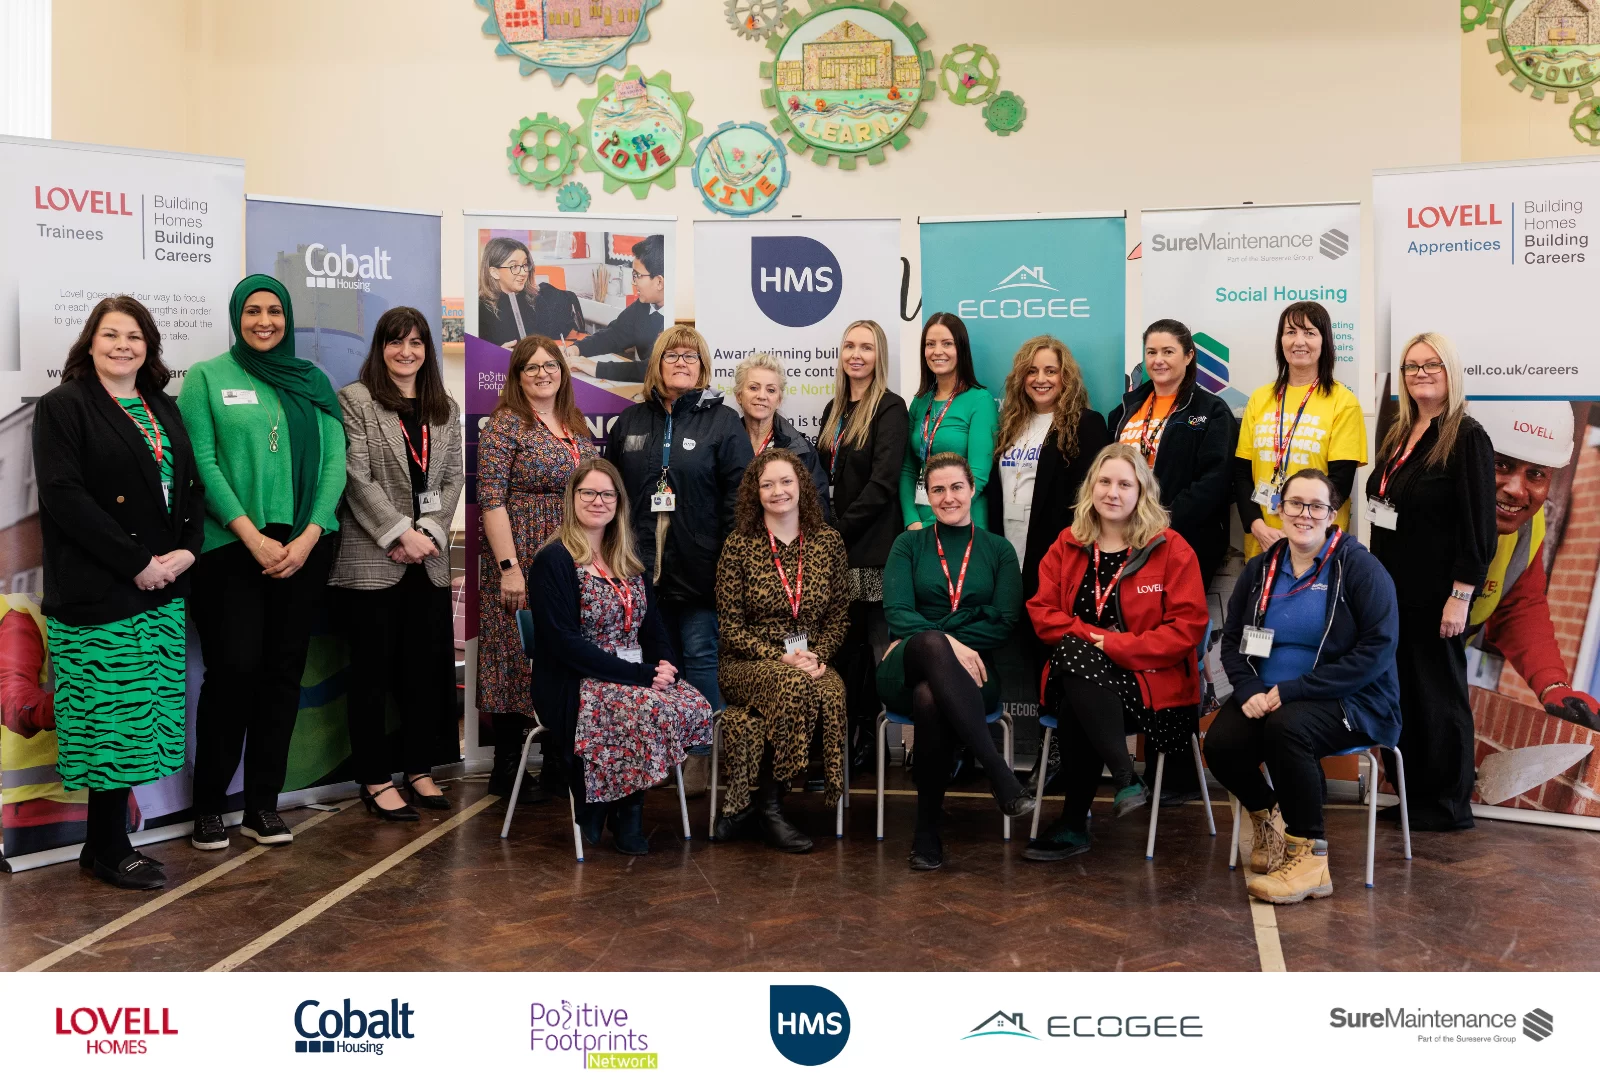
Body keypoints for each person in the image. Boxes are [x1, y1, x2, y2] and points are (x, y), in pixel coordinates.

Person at [33, 296, 204, 889]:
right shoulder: (63, 407)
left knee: (140, 719)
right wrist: (136, 563)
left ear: (149, 346)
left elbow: (189, 485)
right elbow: (63, 496)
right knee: (109, 719)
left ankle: (98, 843)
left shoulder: (161, 405)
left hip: (161, 587)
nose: (123, 346)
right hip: (99, 591)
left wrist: (187, 550)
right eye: (111, 335)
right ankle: (110, 847)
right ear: (90, 341)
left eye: (134, 336)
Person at [179, 275, 345, 850]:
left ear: (288, 317)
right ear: (236, 317)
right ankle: (208, 809)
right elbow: (202, 464)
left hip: (302, 550)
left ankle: (262, 807)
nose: (264, 321)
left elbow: (333, 466)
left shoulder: (312, 381)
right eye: (252, 311)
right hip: (231, 550)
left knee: (281, 677)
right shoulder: (206, 378)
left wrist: (307, 538)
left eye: (275, 310)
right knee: (234, 674)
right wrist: (251, 536)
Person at [1208, 469, 1402, 903]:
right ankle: (1268, 816)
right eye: (1295, 503)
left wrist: (1296, 690)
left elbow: (1378, 650)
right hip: (1268, 695)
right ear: (1280, 508)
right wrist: (1247, 689)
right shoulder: (1261, 568)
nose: (1305, 515)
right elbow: (1236, 640)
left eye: (1317, 506)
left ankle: (1310, 859)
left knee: (1288, 728)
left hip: (1350, 699)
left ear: (1333, 515)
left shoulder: (1359, 568)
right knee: (1220, 744)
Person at [1023, 444, 1209, 861]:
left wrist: (1118, 645)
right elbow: (1041, 612)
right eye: (1104, 482)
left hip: (1149, 685)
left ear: (1142, 492)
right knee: (1076, 664)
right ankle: (1125, 775)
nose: (1113, 492)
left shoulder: (1170, 548)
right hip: (1084, 675)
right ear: (1091, 488)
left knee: (1075, 686)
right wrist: (1095, 640)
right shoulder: (1068, 543)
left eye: (1125, 484)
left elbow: (1187, 629)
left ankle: (1074, 823)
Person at [528, 459, 712, 854]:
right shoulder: (554, 560)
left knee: (693, 703)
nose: (598, 501)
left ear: (619, 502)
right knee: (643, 707)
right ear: (571, 499)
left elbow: (653, 627)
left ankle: (609, 802)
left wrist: (663, 664)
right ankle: (625, 812)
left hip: (631, 675)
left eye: (607, 494)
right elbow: (564, 644)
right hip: (572, 679)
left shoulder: (629, 560)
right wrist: (643, 676)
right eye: (588, 493)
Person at [329, 307, 464, 823]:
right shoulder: (356, 401)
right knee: (371, 676)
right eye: (395, 342)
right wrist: (399, 532)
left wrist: (425, 534)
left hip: (424, 562)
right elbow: (354, 477)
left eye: (416, 343)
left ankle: (419, 768)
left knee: (422, 675)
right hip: (373, 559)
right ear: (380, 348)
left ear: (427, 350)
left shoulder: (443, 408)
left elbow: (450, 480)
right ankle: (375, 778)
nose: (406, 352)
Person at [605, 326, 752, 795]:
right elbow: (611, 497)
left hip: (701, 567)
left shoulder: (723, 422)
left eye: (692, 356)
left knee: (701, 659)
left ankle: (703, 757)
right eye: (673, 355)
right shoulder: (628, 422)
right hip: (637, 569)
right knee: (651, 663)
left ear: (704, 366)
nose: (683, 362)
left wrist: (729, 562)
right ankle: (657, 751)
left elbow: (741, 499)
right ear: (657, 364)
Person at [1363, 333, 1496, 831]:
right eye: (1412, 366)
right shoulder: (1401, 432)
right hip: (1394, 592)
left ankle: (1447, 803)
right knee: (1405, 695)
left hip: (1438, 594)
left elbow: (1479, 528)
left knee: (1440, 696)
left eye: (1431, 365)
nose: (1421, 373)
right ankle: (1413, 795)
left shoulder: (1466, 436)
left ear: (1450, 370)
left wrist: (1460, 597)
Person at [878, 453, 1035, 870]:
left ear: (972, 490)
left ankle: (926, 833)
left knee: (931, 696)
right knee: (929, 645)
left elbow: (1003, 623)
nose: (948, 498)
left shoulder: (999, 550)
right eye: (937, 490)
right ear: (927, 497)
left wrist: (938, 635)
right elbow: (898, 614)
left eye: (956, 487)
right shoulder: (907, 543)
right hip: (905, 667)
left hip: (974, 673)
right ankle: (1001, 776)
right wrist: (950, 638)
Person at [985, 335, 1110, 793]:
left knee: (1052, 657)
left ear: (1066, 377)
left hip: (1056, 562)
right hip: (1007, 556)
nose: (1041, 379)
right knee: (1013, 653)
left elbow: (1090, 504)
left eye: (1051, 371)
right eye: (1033, 371)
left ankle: (1056, 754)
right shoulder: (1009, 426)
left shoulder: (1087, 425)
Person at [712, 450, 852, 852]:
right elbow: (731, 627)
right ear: (755, 494)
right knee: (792, 685)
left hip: (811, 659)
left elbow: (839, 616)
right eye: (767, 484)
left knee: (828, 688)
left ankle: (755, 803)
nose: (778, 492)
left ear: (802, 487)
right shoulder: (739, 546)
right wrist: (780, 658)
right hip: (747, 664)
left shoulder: (828, 542)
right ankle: (771, 807)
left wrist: (818, 657)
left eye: (786, 482)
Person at [477, 335, 594, 805]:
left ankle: (557, 766)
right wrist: (509, 568)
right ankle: (507, 770)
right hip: (521, 554)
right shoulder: (506, 424)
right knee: (514, 655)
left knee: (561, 653)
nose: (543, 373)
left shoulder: (575, 423)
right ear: (517, 376)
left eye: (551, 365)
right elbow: (491, 500)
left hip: (571, 555)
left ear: (563, 372)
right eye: (532, 367)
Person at [1464, 400, 1600, 730]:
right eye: (1501, 465)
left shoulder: (1528, 524)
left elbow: (1518, 608)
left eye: (1536, 473)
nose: (1515, 489)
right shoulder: (1426, 501)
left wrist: (1554, 685)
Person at [815, 320, 909, 773]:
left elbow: (884, 482)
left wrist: (837, 530)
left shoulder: (890, 408)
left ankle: (874, 741)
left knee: (876, 649)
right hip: (837, 549)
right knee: (844, 650)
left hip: (871, 548)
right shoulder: (836, 407)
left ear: (879, 356)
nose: (856, 354)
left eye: (866, 347)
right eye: (850, 345)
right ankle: (846, 737)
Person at [1234, 301, 1367, 560]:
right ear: (1280, 340)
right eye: (1291, 332)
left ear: (1324, 342)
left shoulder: (1343, 401)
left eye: (1309, 332)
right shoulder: (1260, 398)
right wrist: (1256, 526)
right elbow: (1241, 474)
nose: (1299, 341)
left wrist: (1298, 532)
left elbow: (1339, 482)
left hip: (1318, 543)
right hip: (1264, 542)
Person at [1108, 319, 1236, 584]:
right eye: (1151, 352)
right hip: (1123, 535)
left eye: (1168, 351)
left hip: (1181, 539)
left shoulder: (1211, 411)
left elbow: (1216, 481)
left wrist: (1161, 520)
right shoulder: (1122, 411)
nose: (1158, 360)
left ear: (1189, 356)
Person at [900, 313, 998, 530]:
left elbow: (978, 475)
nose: (937, 351)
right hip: (920, 520)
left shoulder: (980, 401)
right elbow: (908, 467)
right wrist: (911, 520)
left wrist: (933, 522)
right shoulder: (919, 401)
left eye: (947, 343)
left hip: (964, 519)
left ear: (961, 349)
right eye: (930, 344)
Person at [732, 353, 830, 518]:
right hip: (736, 541)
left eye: (771, 390)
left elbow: (819, 509)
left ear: (779, 399)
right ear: (739, 396)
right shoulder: (724, 445)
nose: (762, 396)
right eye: (753, 387)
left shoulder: (801, 450)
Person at [567, 234, 665, 382]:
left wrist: (596, 368)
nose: (634, 282)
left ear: (659, 282)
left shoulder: (676, 320)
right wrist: (577, 349)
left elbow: (654, 368)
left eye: (637, 275)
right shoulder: (643, 306)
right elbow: (613, 335)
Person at [476, 236, 539, 350]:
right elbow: (475, 358)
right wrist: (497, 355)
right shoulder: (479, 309)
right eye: (514, 266)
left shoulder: (530, 299)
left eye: (525, 265)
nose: (524, 272)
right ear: (494, 273)